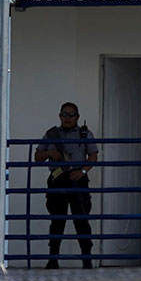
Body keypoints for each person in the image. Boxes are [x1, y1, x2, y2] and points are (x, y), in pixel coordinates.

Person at [35, 102, 99, 269]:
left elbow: (93, 156)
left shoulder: (85, 134)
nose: (68, 118)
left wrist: (83, 172)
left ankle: (87, 259)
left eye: (71, 115)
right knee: (57, 221)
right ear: (59, 116)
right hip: (57, 179)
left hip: (78, 180)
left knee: (82, 220)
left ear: (77, 116)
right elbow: (37, 156)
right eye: (64, 114)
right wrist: (49, 153)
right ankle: (53, 259)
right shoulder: (51, 134)